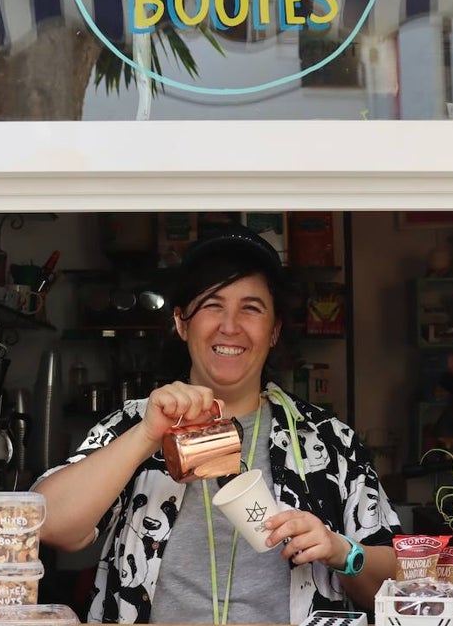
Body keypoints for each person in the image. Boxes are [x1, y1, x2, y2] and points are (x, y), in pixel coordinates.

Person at [35, 224, 400, 624]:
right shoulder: (132, 424)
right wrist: (146, 436)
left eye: (251, 307)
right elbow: (49, 526)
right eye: (212, 305)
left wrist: (340, 551)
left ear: (275, 330)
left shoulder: (327, 440)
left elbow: (399, 585)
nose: (230, 326)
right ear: (181, 323)